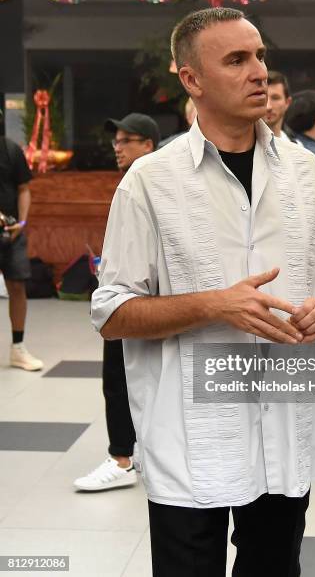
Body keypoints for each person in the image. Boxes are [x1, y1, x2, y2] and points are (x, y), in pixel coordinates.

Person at [91, 8, 315, 576]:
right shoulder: (150, 180)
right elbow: (113, 312)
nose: (259, 71)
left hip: (287, 406)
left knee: (274, 563)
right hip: (190, 426)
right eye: (237, 60)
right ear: (191, 80)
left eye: (260, 55)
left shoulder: (305, 172)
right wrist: (216, 305)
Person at [74, 113, 160, 492]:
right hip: (123, 293)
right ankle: (132, 451)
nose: (117, 147)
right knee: (123, 377)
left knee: (122, 378)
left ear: (149, 145)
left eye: (127, 140)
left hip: (142, 299)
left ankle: (121, 458)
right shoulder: (131, 183)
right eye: (117, 140)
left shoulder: (155, 184)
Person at [0, 135, 43, 371]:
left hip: (11, 230)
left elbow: (24, 189)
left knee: (17, 286)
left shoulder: (10, 150)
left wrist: (23, 222)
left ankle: (18, 348)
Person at [264, 70, 292, 140]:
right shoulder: (240, 145)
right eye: (263, 98)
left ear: (287, 102)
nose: (268, 107)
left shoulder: (297, 146)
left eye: (275, 98)